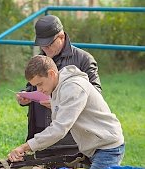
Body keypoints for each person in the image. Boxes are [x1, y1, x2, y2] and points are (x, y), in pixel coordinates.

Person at [9, 55, 125, 169]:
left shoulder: (73, 88)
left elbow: (59, 129)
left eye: (40, 84)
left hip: (107, 147)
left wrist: (25, 147)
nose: (38, 90)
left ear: (51, 74)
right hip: (94, 147)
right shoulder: (58, 87)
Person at [16, 15, 102, 157]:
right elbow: (31, 87)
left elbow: (96, 94)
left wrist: (59, 102)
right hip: (40, 133)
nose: (46, 49)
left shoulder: (84, 59)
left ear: (61, 37)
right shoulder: (40, 58)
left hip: (70, 139)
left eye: (49, 44)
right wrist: (25, 96)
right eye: (42, 45)